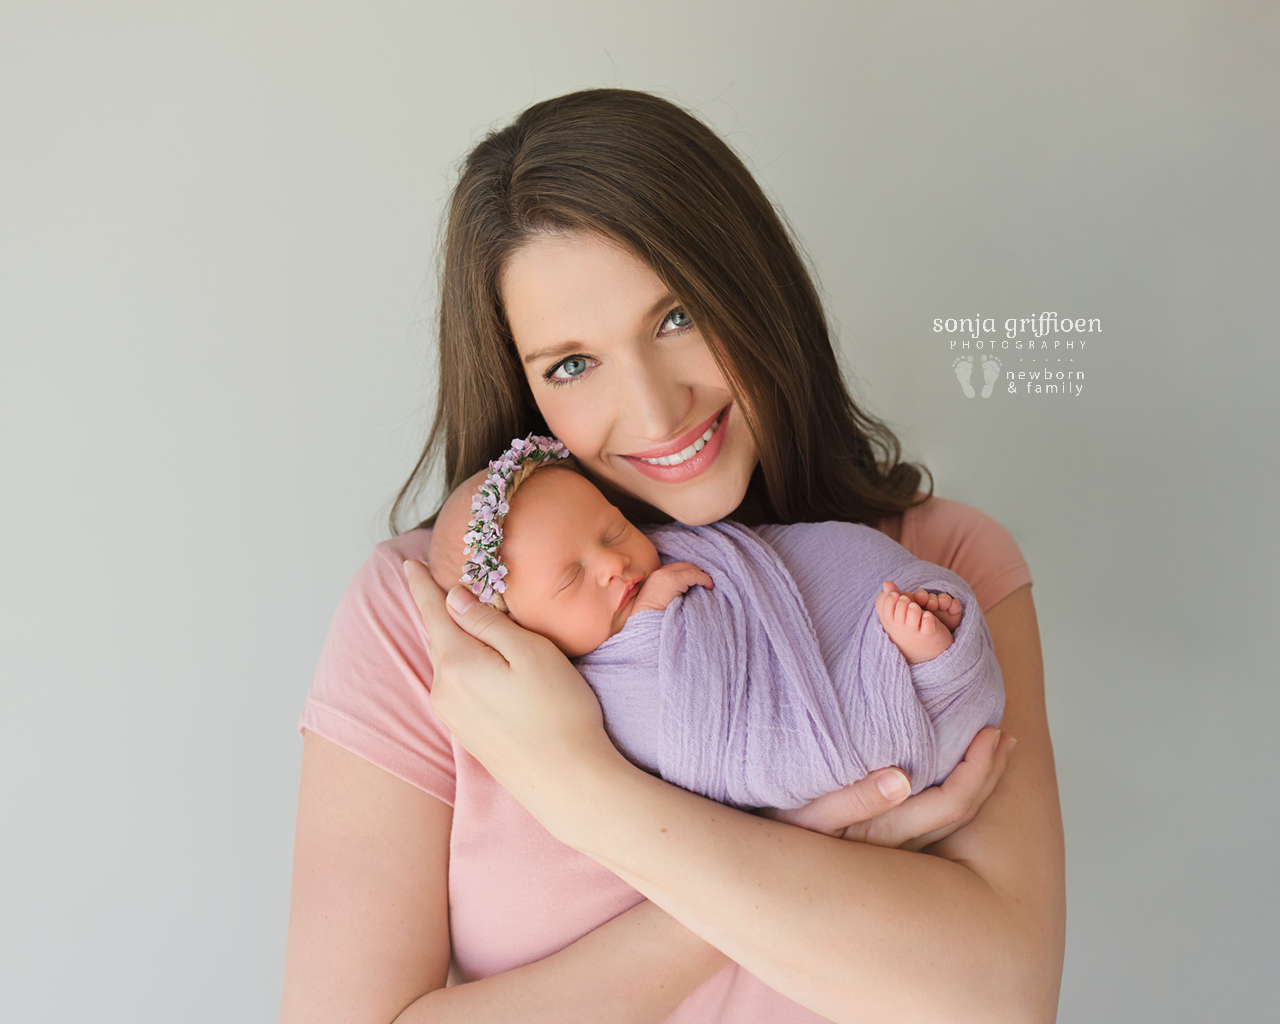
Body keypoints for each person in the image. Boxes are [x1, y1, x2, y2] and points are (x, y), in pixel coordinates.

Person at [280, 89, 1065, 1023]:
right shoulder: (435, 626)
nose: (656, 414)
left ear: (753, 290)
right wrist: (810, 839)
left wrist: (591, 798)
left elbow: (1002, 999)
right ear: (522, 389)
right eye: (571, 364)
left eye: (677, 316)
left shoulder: (948, 569)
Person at [427, 444, 1003, 812]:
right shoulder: (599, 687)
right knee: (849, 710)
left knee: (860, 586)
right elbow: (682, 724)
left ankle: (908, 654)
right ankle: (909, 666)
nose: (612, 565)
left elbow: (748, 579)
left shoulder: (666, 551)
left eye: (612, 531)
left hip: (814, 636)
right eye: (571, 578)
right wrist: (652, 622)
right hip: (793, 727)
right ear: (517, 634)